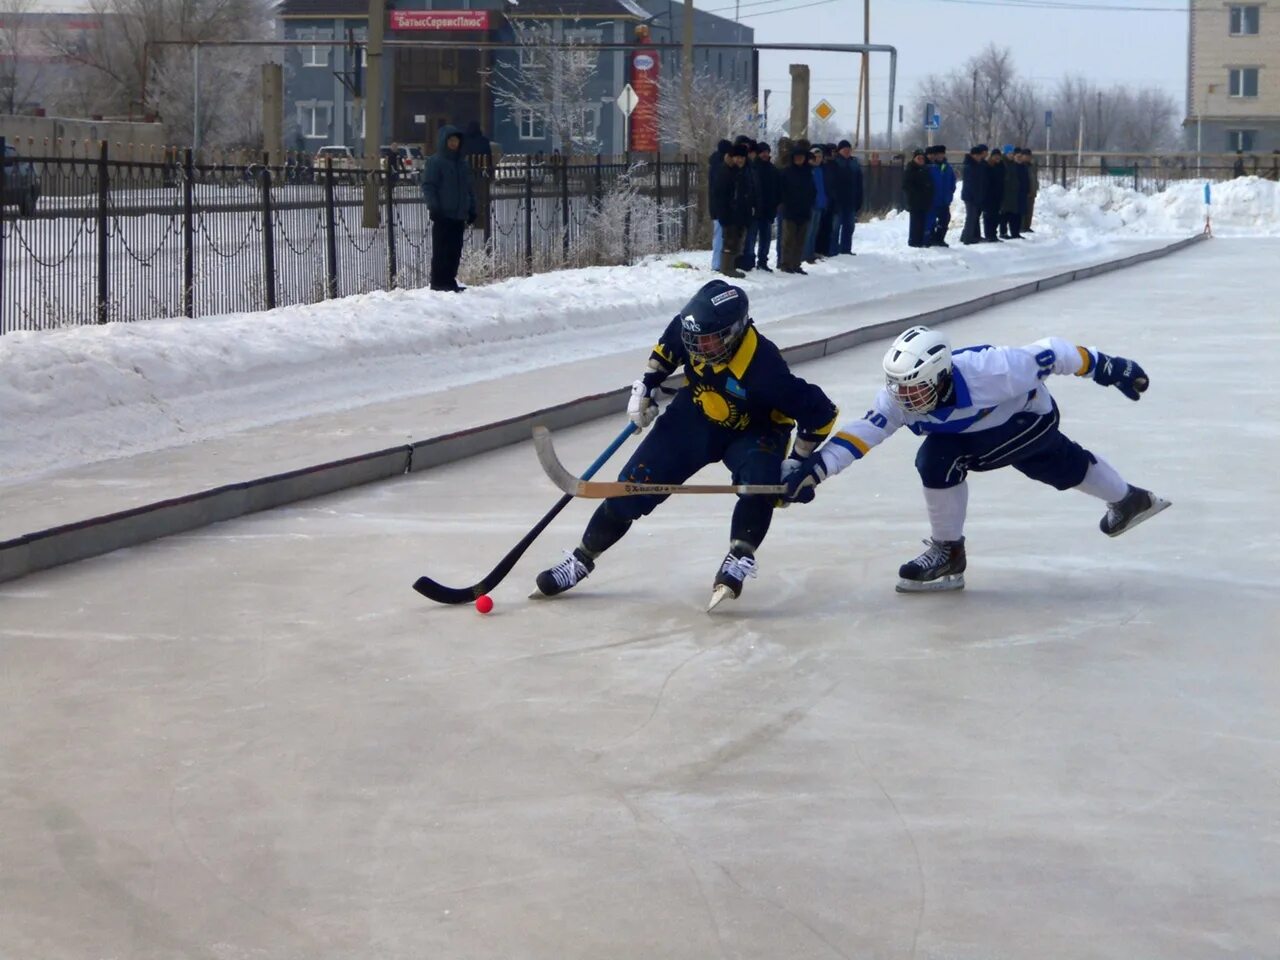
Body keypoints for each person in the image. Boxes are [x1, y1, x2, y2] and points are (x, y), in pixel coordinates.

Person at [781, 325, 1170, 592]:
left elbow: (1056, 352)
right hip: (985, 429)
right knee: (1054, 464)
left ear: (941, 376)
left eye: (914, 390)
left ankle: (948, 551)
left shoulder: (993, 370)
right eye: (898, 388)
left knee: (939, 457)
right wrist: (815, 469)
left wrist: (1111, 368)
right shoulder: (902, 397)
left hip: (1029, 417)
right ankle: (1130, 499)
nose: (905, 400)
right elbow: (862, 432)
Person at [534, 280, 840, 610]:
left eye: (707, 341)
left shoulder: (765, 369)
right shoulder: (692, 330)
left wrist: (796, 462)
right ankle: (581, 559)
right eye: (694, 340)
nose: (697, 349)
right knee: (632, 488)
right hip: (694, 415)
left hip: (755, 431)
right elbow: (668, 352)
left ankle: (739, 556)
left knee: (758, 486)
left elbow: (822, 413)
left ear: (733, 332)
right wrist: (646, 388)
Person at [421, 124, 477, 293]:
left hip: (459, 215)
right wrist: (434, 207)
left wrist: (471, 209)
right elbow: (429, 186)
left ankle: (449, 281)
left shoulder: (462, 164)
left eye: (456, 141)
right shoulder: (436, 162)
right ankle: (438, 283)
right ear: (444, 141)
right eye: (451, 140)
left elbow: (468, 189)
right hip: (443, 214)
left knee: (455, 250)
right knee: (441, 251)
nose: (454, 144)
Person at [711, 143, 753, 279]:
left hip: (741, 213)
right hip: (730, 213)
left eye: (742, 157)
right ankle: (726, 268)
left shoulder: (744, 172)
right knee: (730, 241)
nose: (740, 160)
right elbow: (719, 196)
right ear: (732, 157)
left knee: (736, 241)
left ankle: (730, 266)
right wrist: (723, 215)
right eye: (737, 157)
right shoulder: (726, 172)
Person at [778, 146, 816, 274]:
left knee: (800, 240)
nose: (799, 159)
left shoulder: (808, 172)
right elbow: (781, 190)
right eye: (797, 157)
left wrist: (810, 202)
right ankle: (785, 263)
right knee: (788, 239)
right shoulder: (786, 172)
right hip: (790, 210)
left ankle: (796, 263)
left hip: (804, 210)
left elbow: (812, 190)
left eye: (801, 157)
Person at [746, 142, 780, 271]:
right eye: (762, 152)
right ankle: (749, 261)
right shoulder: (753, 168)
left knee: (765, 238)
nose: (765, 154)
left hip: (768, 209)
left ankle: (763, 261)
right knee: (751, 237)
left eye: (767, 151)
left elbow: (777, 189)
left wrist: (775, 204)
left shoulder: (773, 169)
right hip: (755, 209)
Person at [830, 139, 863, 255]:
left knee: (849, 227)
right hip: (838, 201)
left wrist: (859, 199)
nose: (847, 152)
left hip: (851, 200)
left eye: (849, 150)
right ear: (840, 150)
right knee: (835, 227)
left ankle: (846, 249)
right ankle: (833, 249)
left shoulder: (854, 163)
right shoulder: (835, 163)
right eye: (845, 150)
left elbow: (859, 182)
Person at [707, 139, 732, 270]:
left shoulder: (714, 164)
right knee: (721, 235)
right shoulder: (721, 166)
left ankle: (718, 263)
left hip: (715, 206)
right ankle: (717, 264)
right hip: (720, 207)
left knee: (719, 235)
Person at [924, 145, 956, 247]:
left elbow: (952, 181)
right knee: (930, 221)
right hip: (933, 200)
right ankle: (928, 239)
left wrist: (951, 192)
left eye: (942, 153)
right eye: (938, 154)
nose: (940, 156)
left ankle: (939, 238)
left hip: (944, 200)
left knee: (945, 219)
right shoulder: (929, 167)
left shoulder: (947, 167)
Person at [903, 149, 934, 248]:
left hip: (924, 200)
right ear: (914, 158)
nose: (921, 160)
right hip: (915, 200)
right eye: (918, 158)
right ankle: (913, 241)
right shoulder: (910, 169)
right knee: (915, 221)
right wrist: (915, 193)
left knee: (922, 221)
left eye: (922, 158)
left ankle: (920, 240)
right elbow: (906, 185)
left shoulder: (925, 169)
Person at [803, 146, 829, 263]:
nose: (818, 159)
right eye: (815, 157)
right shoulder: (808, 170)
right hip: (811, 204)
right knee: (809, 231)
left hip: (820, 203)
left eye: (819, 157)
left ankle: (811, 252)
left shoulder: (821, 170)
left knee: (814, 230)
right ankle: (805, 254)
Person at [959, 144, 988, 244]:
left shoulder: (977, 165)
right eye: (978, 155)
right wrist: (975, 195)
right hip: (970, 196)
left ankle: (968, 235)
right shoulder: (970, 166)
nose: (979, 157)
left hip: (975, 195)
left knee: (974, 216)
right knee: (971, 217)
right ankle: (968, 238)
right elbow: (971, 183)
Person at [982, 148, 1005, 242]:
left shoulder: (1001, 166)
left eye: (998, 156)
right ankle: (989, 235)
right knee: (989, 216)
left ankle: (993, 234)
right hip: (989, 195)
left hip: (998, 194)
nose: (997, 158)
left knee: (996, 216)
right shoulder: (988, 166)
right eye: (995, 156)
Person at [1022, 148, 1039, 233]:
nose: (1028, 158)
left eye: (1029, 156)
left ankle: (1027, 226)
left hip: (1032, 191)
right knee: (1023, 210)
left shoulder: (1032, 166)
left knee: (1029, 210)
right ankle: (1022, 227)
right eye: (1026, 156)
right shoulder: (1021, 165)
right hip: (1024, 192)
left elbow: (1034, 178)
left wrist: (1035, 188)